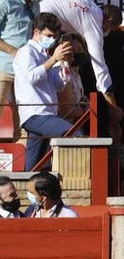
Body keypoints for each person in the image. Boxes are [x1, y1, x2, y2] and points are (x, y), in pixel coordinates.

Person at [14, 12, 79, 171]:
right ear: (36, 32)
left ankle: (28, 188)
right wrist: (54, 60)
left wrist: (64, 64)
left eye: (54, 36)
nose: (51, 40)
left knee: (34, 165)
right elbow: (31, 77)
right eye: (48, 35)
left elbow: (58, 86)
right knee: (74, 134)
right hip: (35, 113)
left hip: (46, 113)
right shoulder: (26, 52)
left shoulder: (46, 55)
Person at [0, 0, 51, 141]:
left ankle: (24, 166)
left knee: (24, 121)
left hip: (25, 71)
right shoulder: (5, 0)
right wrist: (14, 51)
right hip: (3, 68)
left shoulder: (35, 4)